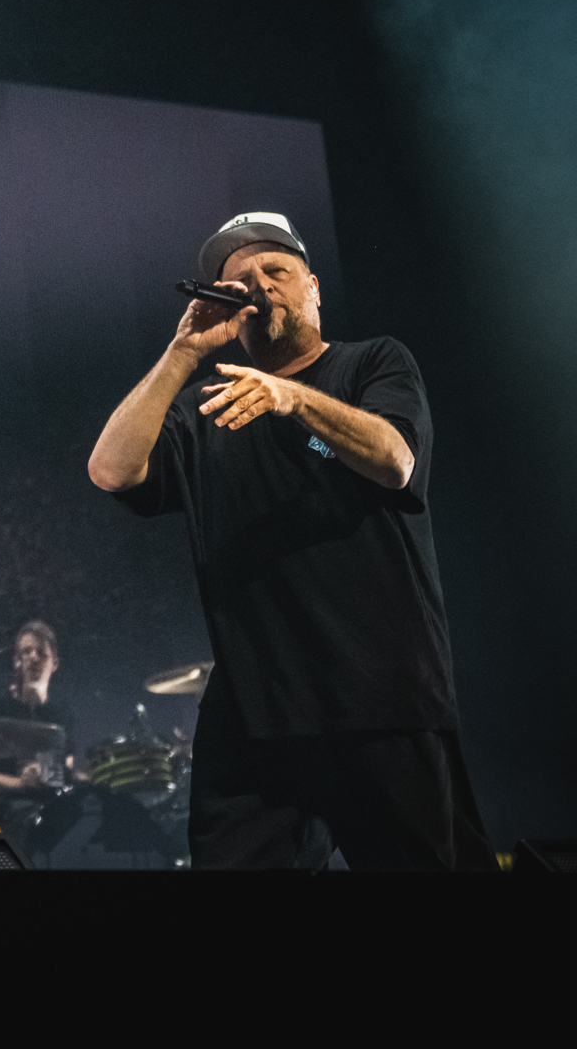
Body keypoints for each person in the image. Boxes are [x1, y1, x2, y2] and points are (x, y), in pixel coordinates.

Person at [87, 212, 494, 871]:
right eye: (237, 281)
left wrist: (293, 399)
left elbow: (396, 459)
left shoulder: (374, 361)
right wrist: (184, 352)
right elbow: (110, 469)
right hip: (254, 716)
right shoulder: (206, 405)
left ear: (313, 287)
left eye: (275, 271)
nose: (257, 286)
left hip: (379, 697)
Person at [0, 620, 77, 797]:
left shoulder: (61, 713)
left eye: (42, 653)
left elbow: (65, 767)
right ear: (16, 661)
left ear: (54, 663)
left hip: (44, 806)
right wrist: (20, 784)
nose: (33, 657)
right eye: (26, 651)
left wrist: (42, 773)